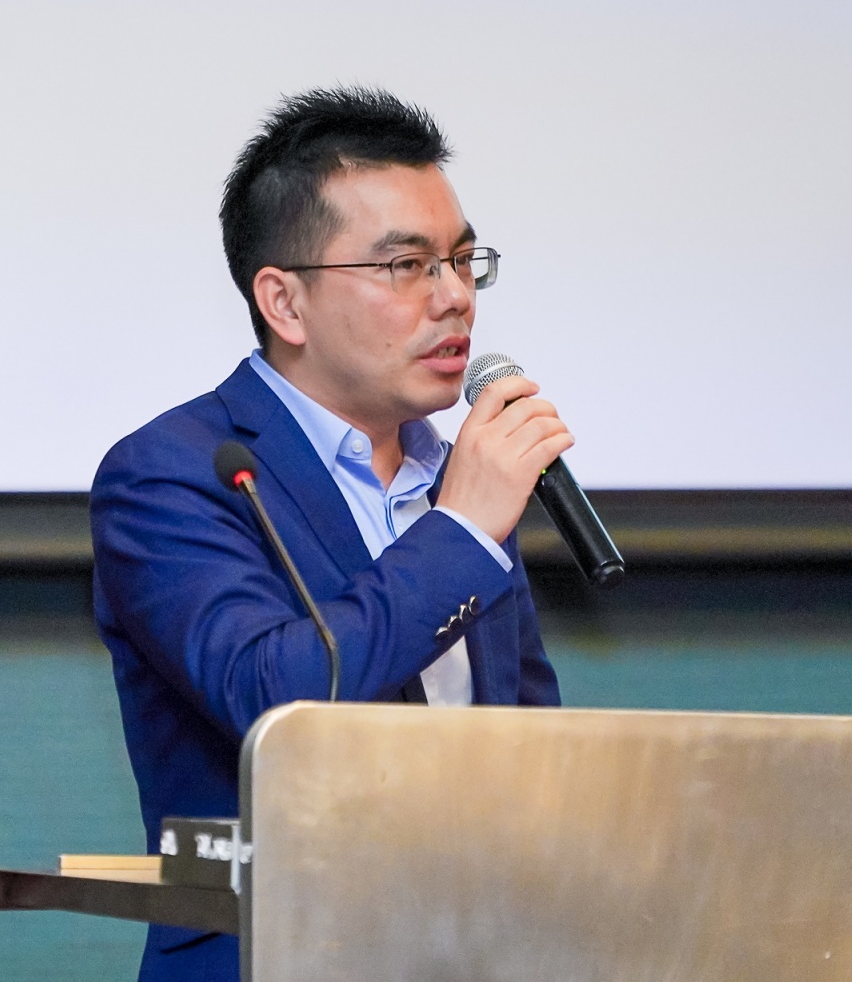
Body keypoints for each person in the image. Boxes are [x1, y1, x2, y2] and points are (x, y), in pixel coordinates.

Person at [90, 87, 570, 982]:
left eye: (463, 261)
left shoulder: (454, 479)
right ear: (285, 302)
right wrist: (463, 529)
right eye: (407, 266)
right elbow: (277, 699)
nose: (455, 298)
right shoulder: (173, 475)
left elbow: (531, 747)